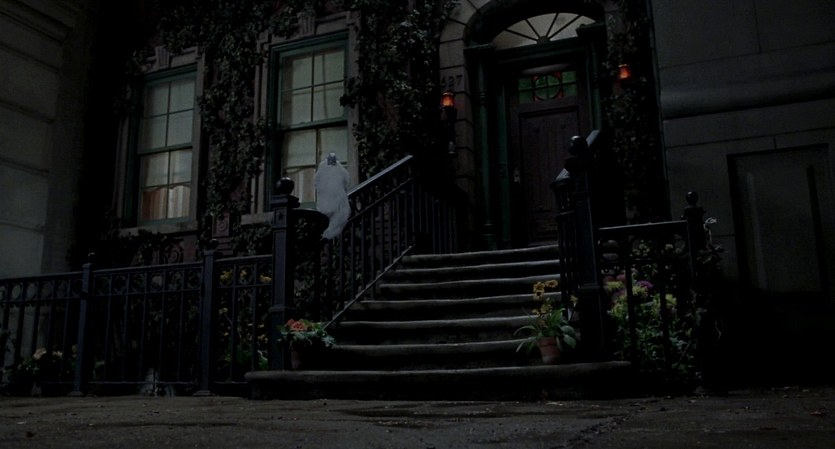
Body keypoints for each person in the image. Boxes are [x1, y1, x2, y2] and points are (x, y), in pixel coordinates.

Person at [314, 153, 351, 239]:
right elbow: (317, 182)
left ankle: (331, 235)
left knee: (339, 216)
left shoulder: (340, 169)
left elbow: (345, 181)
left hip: (336, 199)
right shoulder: (323, 168)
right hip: (327, 201)